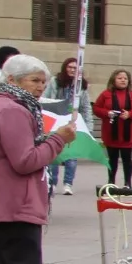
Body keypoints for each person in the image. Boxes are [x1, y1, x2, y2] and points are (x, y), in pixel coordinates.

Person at [0, 55, 78, 264]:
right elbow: (25, 160)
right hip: (15, 208)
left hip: (10, 205)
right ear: (13, 80)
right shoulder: (12, 110)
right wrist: (58, 139)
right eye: (34, 81)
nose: (41, 87)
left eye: (43, 82)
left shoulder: (10, 107)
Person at [45, 57, 92, 195]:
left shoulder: (81, 85)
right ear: (65, 68)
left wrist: (88, 127)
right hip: (56, 121)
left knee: (72, 154)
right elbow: (46, 98)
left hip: (73, 122)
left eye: (75, 68)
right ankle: (52, 183)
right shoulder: (55, 82)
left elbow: (86, 107)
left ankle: (68, 183)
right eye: (70, 67)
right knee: (54, 153)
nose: (72, 70)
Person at [93, 69, 132, 186]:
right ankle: (111, 182)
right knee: (112, 160)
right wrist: (107, 113)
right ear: (114, 80)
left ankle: (127, 183)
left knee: (127, 159)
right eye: (120, 78)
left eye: (125, 78)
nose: (123, 80)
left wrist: (130, 114)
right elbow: (96, 108)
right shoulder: (105, 94)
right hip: (111, 133)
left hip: (127, 134)